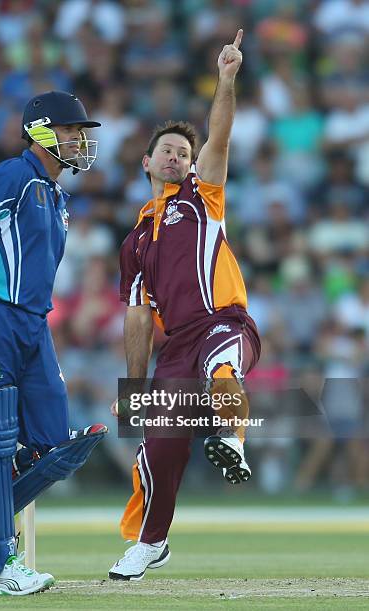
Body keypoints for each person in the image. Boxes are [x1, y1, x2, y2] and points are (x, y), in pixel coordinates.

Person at [108, 30, 261, 581]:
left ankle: (232, 440)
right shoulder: (134, 242)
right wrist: (133, 387)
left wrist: (225, 80)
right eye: (168, 150)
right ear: (147, 161)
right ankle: (150, 542)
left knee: (224, 369)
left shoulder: (204, 197)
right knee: (159, 447)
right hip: (175, 349)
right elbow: (136, 316)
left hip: (223, 322)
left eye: (184, 153)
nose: (177, 156)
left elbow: (219, 136)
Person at [0, 91, 105, 596]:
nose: (81, 139)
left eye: (82, 131)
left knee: (55, 446)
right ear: (42, 131)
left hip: (34, 323)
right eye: (72, 129)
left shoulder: (55, 194)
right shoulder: (15, 175)